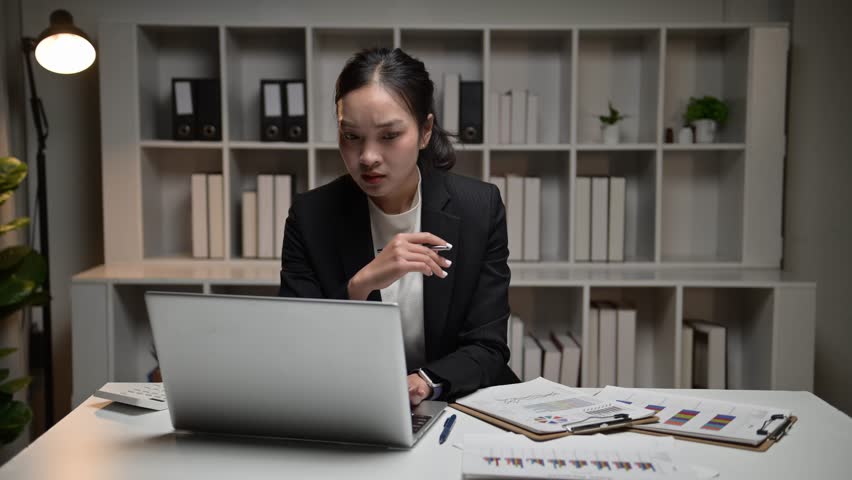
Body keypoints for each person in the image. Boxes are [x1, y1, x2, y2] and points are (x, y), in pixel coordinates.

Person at [279, 47, 518, 405]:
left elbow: (488, 346)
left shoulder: (478, 209)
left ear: (425, 131)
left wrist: (423, 382)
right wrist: (360, 286)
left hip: (459, 401)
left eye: (389, 136)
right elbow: (299, 350)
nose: (368, 157)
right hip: (350, 402)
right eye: (351, 136)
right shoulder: (311, 216)